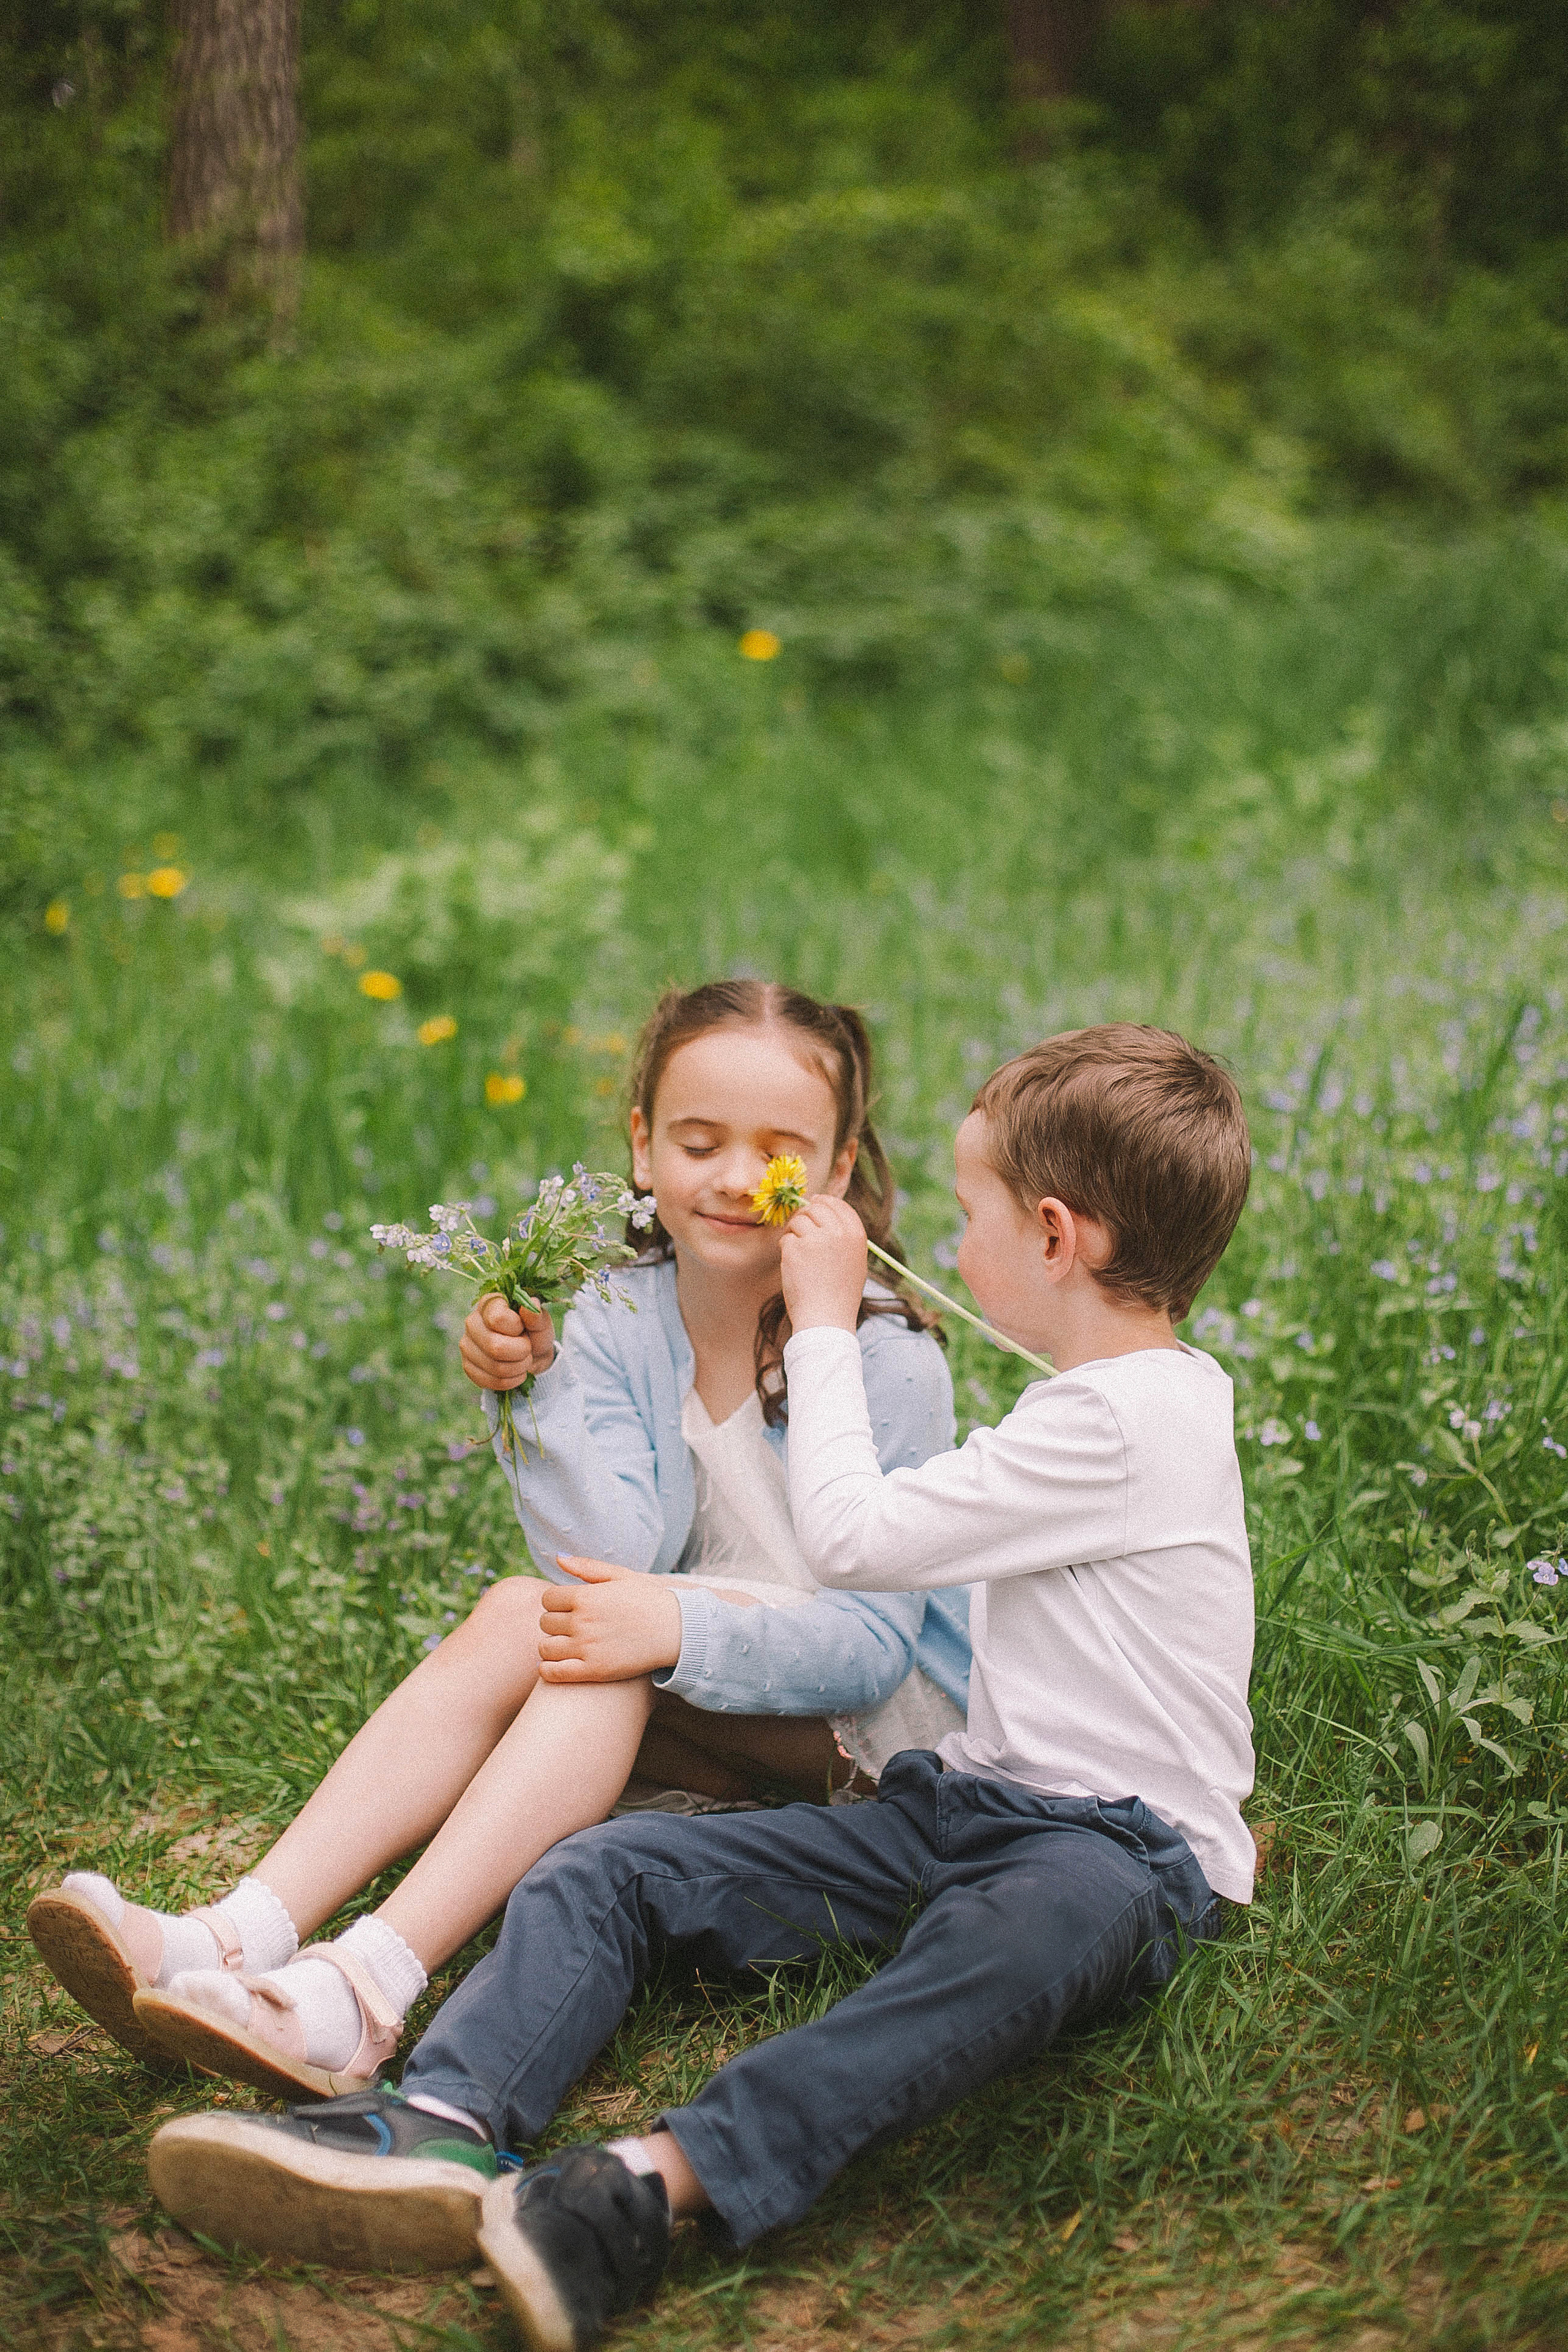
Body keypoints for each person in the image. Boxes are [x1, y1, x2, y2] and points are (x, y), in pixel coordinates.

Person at [148, 1021, 1258, 2352]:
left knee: (1011, 1942)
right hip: (964, 1805)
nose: (955, 1242)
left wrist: (828, 1323)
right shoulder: (1078, 1409)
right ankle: (442, 2116)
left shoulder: (1130, 1423)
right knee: (610, 1868)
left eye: (973, 1216)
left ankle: (645, 2182)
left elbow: (849, 1544)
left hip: (1122, 1851)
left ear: (1056, 1237)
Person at [27, 982, 968, 2100]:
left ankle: (366, 1988)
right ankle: (235, 1935)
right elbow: (604, 1551)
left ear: (840, 1165)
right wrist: (540, 1390)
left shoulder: (886, 1359)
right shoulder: (621, 1310)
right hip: (714, 1688)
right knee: (542, 1616)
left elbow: (872, 1650)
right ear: (642, 1144)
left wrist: (672, 1627)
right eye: (698, 1142)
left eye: (777, 1153)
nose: (732, 1178)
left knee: (588, 1641)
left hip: (875, 1745)